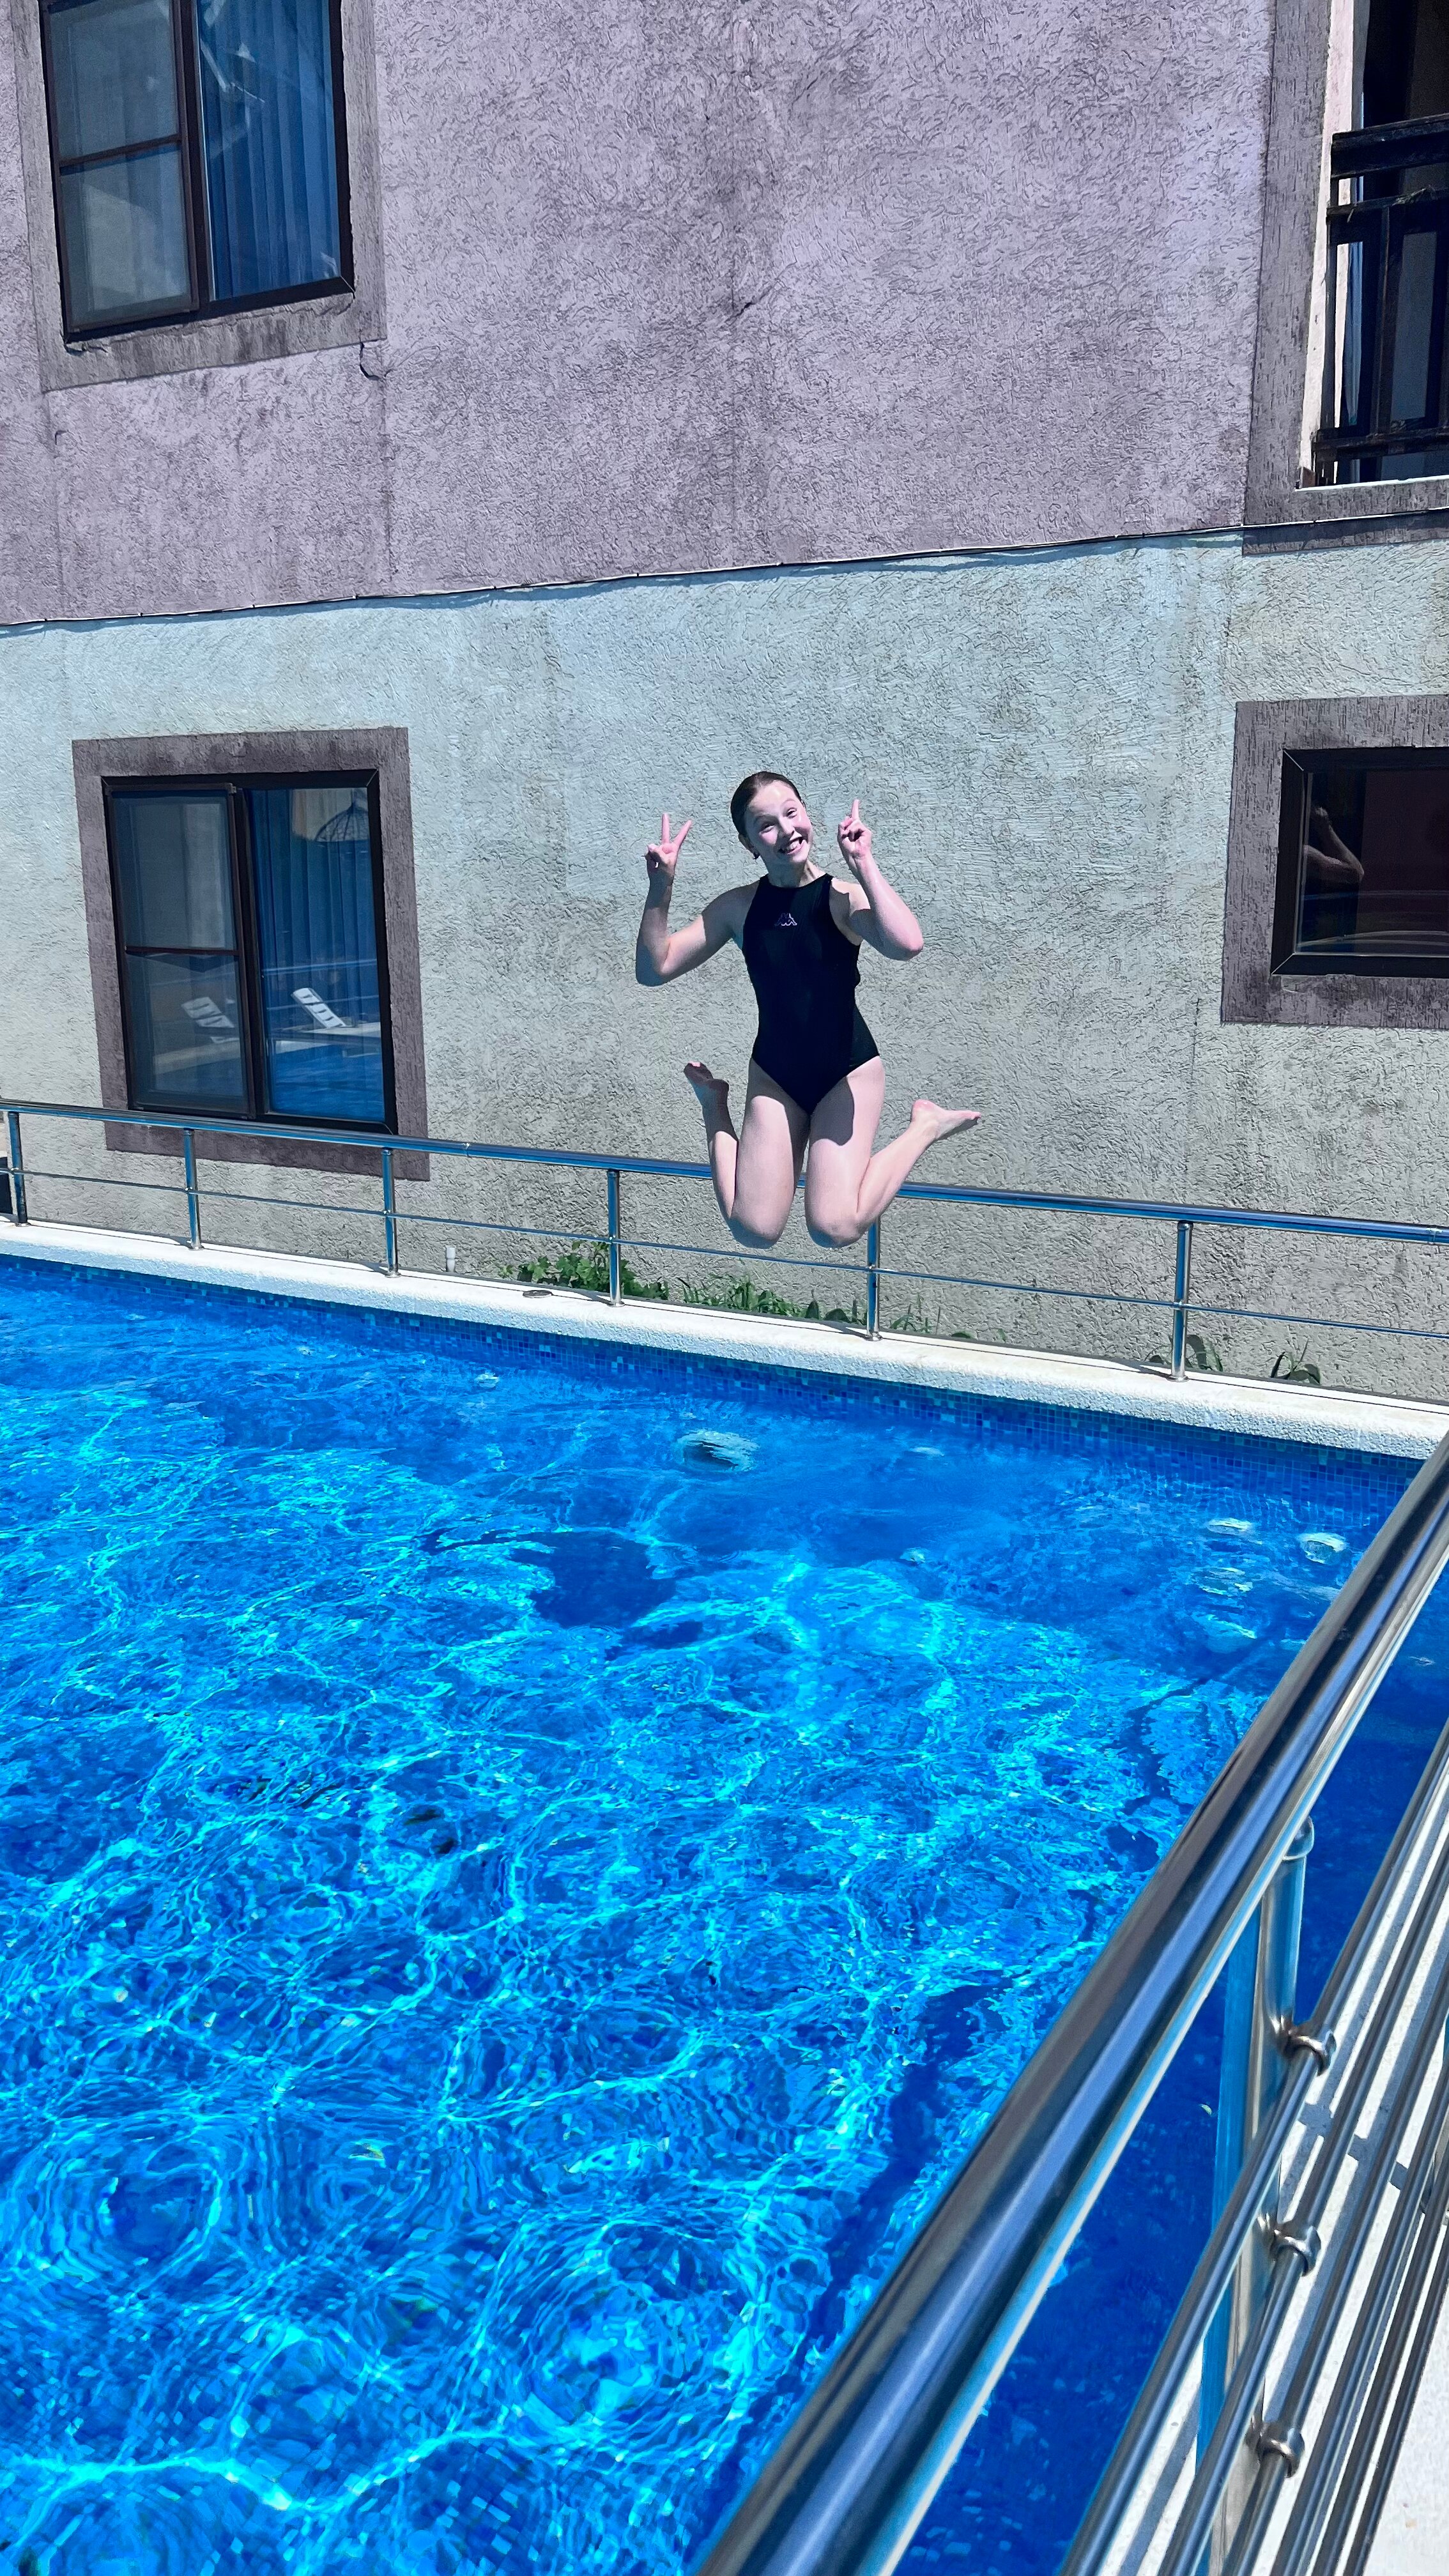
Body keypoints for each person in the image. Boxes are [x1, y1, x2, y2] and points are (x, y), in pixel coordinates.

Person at [634, 770, 979, 1250]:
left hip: (847, 1072)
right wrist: (661, 889)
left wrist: (864, 863)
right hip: (776, 1075)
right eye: (766, 825)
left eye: (792, 813)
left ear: (807, 814)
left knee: (834, 1227)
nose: (786, 830)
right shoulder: (740, 908)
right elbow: (655, 969)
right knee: (753, 1229)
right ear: (749, 844)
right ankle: (714, 1104)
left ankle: (925, 1126)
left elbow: (907, 945)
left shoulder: (840, 898)